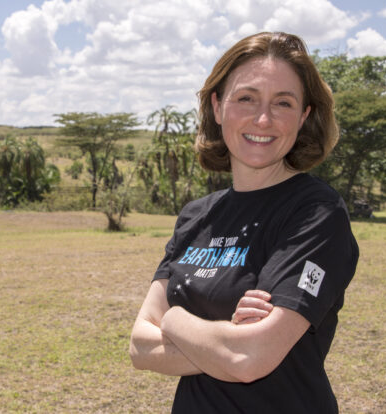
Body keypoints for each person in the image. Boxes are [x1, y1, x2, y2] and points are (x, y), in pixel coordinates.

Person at [129, 31, 359, 413]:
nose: (263, 118)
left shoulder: (316, 213)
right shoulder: (196, 216)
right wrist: (230, 337)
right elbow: (139, 347)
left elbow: (250, 359)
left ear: (304, 117)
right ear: (218, 107)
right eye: (246, 98)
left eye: (283, 103)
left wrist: (174, 320)